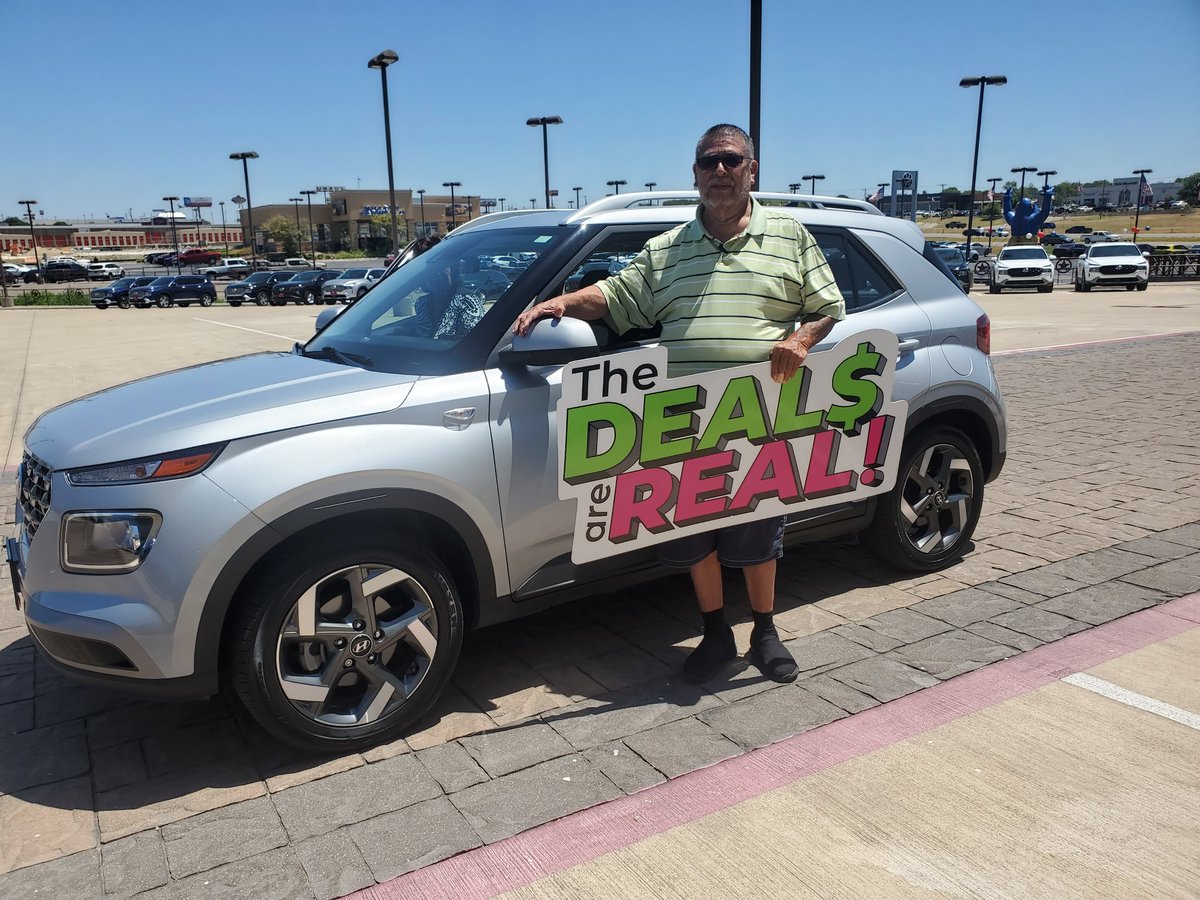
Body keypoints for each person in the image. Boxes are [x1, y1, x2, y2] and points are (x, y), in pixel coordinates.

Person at [514, 123, 845, 684]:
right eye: (709, 162)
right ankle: (716, 634)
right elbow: (617, 296)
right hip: (684, 419)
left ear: (751, 170)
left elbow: (827, 305)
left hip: (759, 415)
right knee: (694, 531)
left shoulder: (790, 235)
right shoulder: (667, 251)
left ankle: (765, 631)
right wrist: (560, 303)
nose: (720, 171)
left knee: (759, 529)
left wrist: (800, 339)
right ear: (694, 174)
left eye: (731, 161)